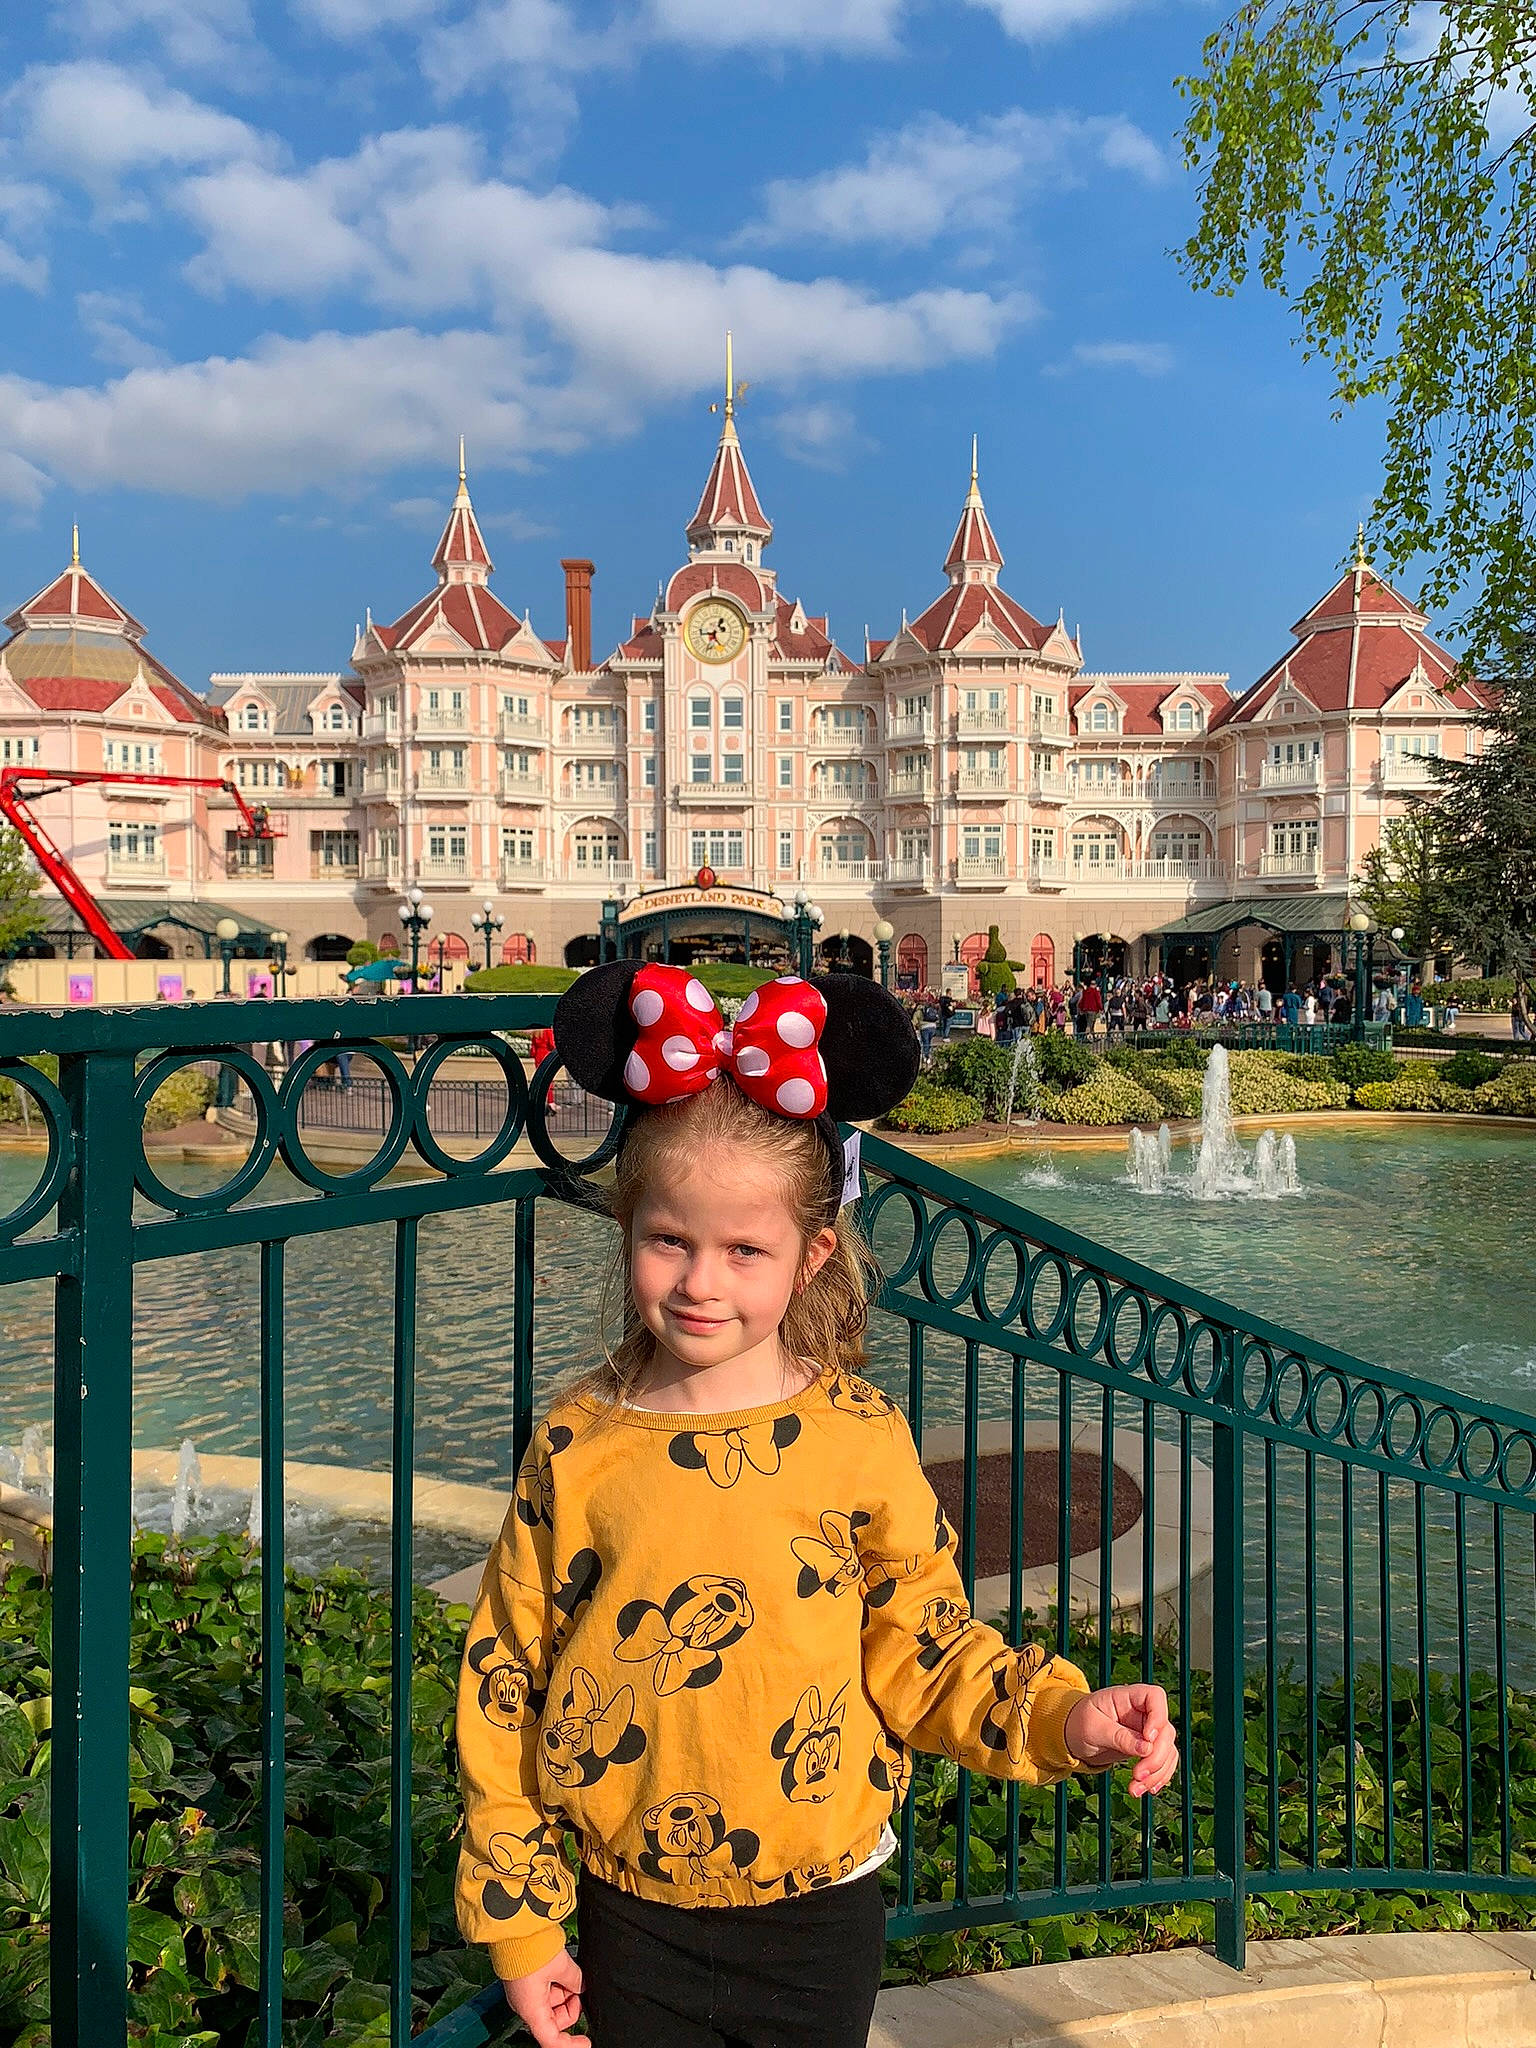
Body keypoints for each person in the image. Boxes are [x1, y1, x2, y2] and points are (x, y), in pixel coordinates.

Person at [456, 963, 1180, 2048]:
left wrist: (1058, 1716)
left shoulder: (858, 1435)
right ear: (628, 1226)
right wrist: (521, 1926)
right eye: (671, 1239)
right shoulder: (578, 1439)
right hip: (623, 1908)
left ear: (811, 1259)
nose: (702, 1280)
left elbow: (924, 1646)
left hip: (819, 1914)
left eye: (745, 1248)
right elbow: (505, 1678)